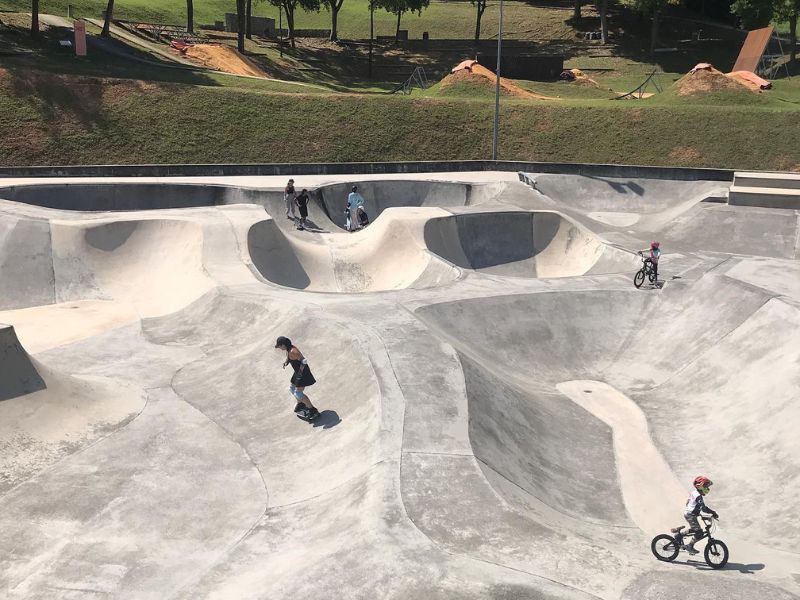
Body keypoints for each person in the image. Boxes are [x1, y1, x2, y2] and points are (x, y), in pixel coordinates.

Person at [275, 336, 319, 419]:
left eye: (280, 346)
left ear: (283, 345)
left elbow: (303, 361)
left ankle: (313, 410)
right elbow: (288, 356)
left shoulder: (293, 351)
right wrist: (286, 362)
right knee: (292, 388)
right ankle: (301, 403)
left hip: (303, 373)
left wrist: (300, 374)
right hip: (297, 372)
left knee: (298, 393)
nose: (279, 348)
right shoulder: (288, 349)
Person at [679, 475, 718, 555]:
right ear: (700, 486)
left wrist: (696, 511)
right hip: (691, 515)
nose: (708, 488)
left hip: (690, 514)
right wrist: (713, 512)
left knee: (695, 529)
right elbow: (704, 508)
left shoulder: (694, 493)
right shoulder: (698, 496)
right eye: (706, 486)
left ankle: (679, 535)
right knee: (699, 533)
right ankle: (690, 546)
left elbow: (687, 503)